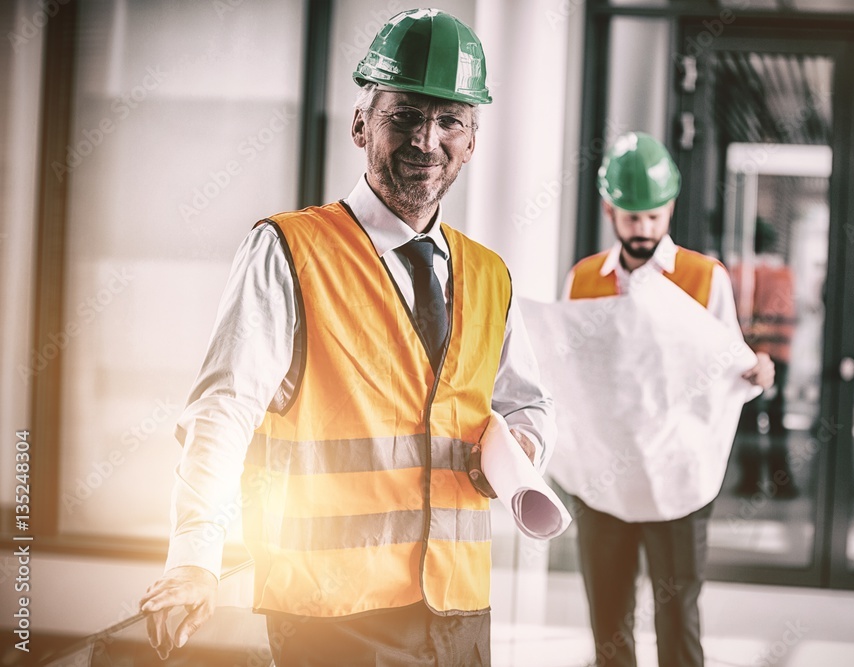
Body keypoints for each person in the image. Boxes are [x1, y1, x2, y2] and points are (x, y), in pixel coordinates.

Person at [139, 9, 554, 666]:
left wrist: (524, 444)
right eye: (404, 116)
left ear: (471, 140)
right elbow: (223, 412)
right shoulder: (289, 250)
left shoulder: (489, 274)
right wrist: (195, 559)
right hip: (332, 616)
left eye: (449, 120)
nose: (426, 139)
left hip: (459, 608)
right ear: (361, 124)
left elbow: (526, 405)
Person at [562, 132, 774, 667]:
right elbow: (570, 373)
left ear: (670, 208)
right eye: (632, 219)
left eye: (654, 218)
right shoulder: (584, 279)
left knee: (678, 616)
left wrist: (755, 375)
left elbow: (729, 366)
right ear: (610, 210)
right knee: (608, 619)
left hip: (678, 477)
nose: (644, 232)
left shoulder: (705, 279)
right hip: (603, 477)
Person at [732, 217, 799, 498]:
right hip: (779, 355)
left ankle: (749, 481)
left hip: (748, 355)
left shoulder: (739, 272)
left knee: (748, 417)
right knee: (776, 417)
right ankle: (781, 482)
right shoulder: (785, 275)